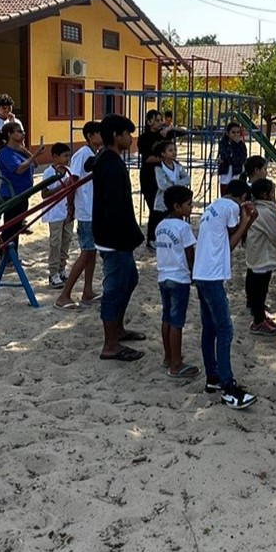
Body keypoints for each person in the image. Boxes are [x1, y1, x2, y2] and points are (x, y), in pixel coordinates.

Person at [193, 178, 258, 409]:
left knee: (209, 328)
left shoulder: (213, 206)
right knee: (224, 329)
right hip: (211, 276)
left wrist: (246, 223)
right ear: (242, 198)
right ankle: (227, 385)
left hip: (201, 273)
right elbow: (232, 244)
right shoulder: (231, 207)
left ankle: (212, 378)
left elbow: (226, 240)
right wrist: (246, 220)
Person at [92, 114, 147, 363]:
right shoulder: (110, 164)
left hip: (117, 236)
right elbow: (114, 207)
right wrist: (125, 236)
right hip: (113, 238)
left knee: (130, 280)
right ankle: (110, 344)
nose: (130, 138)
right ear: (116, 135)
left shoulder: (108, 158)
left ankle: (118, 329)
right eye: (127, 133)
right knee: (114, 289)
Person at [55, 121, 103, 310]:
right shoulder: (82, 155)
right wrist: (70, 208)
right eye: (99, 133)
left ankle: (88, 290)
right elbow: (72, 183)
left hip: (92, 210)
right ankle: (64, 295)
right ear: (91, 136)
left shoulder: (94, 154)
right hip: (85, 211)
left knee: (92, 252)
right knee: (86, 252)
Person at [154, 184, 199, 379]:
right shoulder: (184, 227)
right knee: (177, 322)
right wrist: (194, 273)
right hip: (179, 278)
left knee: (166, 318)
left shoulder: (161, 225)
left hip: (163, 276)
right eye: (188, 204)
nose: (191, 207)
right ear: (177, 206)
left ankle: (168, 356)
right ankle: (176, 364)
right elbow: (190, 254)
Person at [0, 122, 46, 252]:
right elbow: (19, 169)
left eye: (22, 131)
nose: (22, 133)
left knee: (16, 227)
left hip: (23, 194)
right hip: (12, 195)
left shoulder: (19, 151)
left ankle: (13, 255)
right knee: (10, 227)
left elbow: (35, 164)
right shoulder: (6, 153)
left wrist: (25, 150)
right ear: (10, 134)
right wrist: (35, 154)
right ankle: (5, 254)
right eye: (19, 131)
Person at [244, 177, 276, 335]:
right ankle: (258, 321)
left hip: (255, 252)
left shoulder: (257, 208)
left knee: (256, 285)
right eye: (272, 192)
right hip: (261, 255)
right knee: (260, 288)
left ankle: (260, 316)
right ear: (265, 195)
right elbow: (274, 234)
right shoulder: (265, 212)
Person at [39, 142, 75, 288]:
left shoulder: (68, 170)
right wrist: (63, 185)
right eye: (65, 156)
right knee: (55, 242)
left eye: (69, 156)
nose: (67, 159)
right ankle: (53, 272)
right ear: (55, 157)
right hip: (54, 213)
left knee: (67, 240)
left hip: (66, 211)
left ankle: (61, 268)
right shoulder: (49, 172)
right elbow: (44, 193)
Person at [136, 109, 166, 249]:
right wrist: (164, 158)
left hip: (162, 175)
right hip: (149, 176)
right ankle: (151, 239)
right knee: (154, 208)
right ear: (149, 122)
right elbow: (148, 158)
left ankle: (160, 236)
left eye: (161, 120)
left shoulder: (163, 136)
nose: (161, 122)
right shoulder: (144, 138)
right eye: (157, 120)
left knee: (163, 207)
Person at [153, 139, 191, 221]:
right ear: (163, 153)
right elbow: (162, 185)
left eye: (175, 150)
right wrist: (177, 186)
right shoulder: (159, 168)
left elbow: (187, 178)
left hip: (176, 203)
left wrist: (175, 184)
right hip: (162, 205)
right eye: (170, 150)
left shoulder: (178, 166)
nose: (174, 152)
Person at [216, 121, 247, 196]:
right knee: (225, 193)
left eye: (238, 132)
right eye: (233, 132)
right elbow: (225, 156)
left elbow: (242, 158)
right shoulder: (223, 143)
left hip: (237, 171)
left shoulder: (241, 145)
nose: (236, 135)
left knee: (236, 193)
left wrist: (236, 145)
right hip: (226, 172)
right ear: (228, 133)